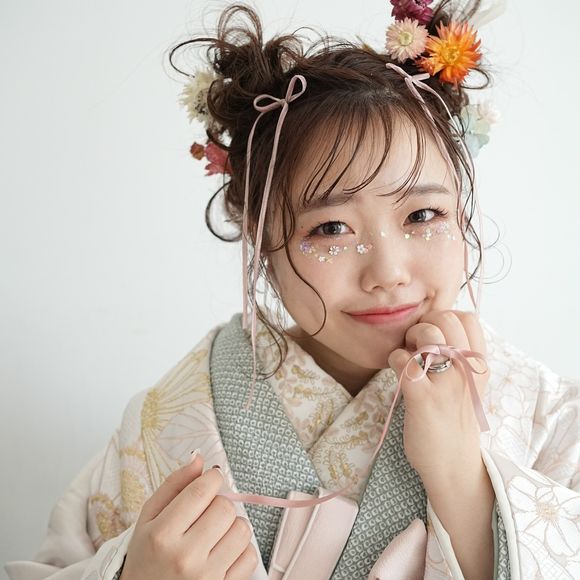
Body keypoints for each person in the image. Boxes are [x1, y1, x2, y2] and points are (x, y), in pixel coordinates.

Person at [5, 1, 579, 579]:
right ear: (260, 238)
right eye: (330, 229)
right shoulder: (170, 418)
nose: (388, 272)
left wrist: (461, 478)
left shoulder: (544, 414)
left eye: (423, 214)